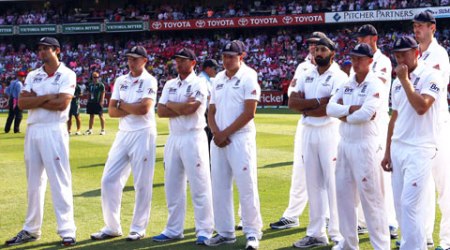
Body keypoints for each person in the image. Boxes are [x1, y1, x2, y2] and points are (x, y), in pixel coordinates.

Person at [5, 37, 77, 247]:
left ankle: (67, 230)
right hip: (34, 130)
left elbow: (62, 104)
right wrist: (48, 97)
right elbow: (23, 103)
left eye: (46, 49)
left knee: (59, 181)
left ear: (57, 51)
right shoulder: (33, 75)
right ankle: (31, 229)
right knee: (34, 183)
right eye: (40, 49)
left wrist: (38, 99)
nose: (42, 52)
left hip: (54, 130)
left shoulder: (67, 74)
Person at [381, 36, 444, 250]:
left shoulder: (432, 75)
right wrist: (387, 152)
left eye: (404, 54)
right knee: (400, 208)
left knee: (410, 205)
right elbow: (394, 117)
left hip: (420, 149)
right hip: (398, 148)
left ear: (416, 51)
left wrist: (406, 81)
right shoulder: (397, 81)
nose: (400, 60)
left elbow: (422, 107)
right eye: (397, 56)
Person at [90, 45, 158, 241]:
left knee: (142, 183)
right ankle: (112, 227)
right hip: (123, 133)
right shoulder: (121, 80)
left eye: (135, 59)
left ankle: (138, 228)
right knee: (108, 180)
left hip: (143, 133)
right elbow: (111, 111)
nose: (131, 62)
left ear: (145, 60)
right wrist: (130, 107)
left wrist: (123, 105)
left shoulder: (149, 80)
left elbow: (144, 109)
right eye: (129, 58)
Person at [327, 43, 390, 250]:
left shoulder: (375, 84)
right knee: (344, 197)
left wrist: (344, 115)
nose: (355, 63)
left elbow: (367, 114)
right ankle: (348, 244)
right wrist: (350, 110)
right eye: (353, 58)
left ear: (370, 61)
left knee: (372, 200)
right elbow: (330, 107)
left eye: (360, 59)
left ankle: (381, 246)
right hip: (345, 144)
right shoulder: (347, 83)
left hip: (366, 146)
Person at [204, 40, 262, 250]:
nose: (227, 60)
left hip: (240, 138)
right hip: (219, 138)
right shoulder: (218, 78)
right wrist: (216, 133)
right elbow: (211, 110)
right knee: (219, 186)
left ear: (241, 56)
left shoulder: (249, 76)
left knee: (246, 185)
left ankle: (253, 232)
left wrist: (225, 133)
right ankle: (225, 231)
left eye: (231, 56)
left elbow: (249, 112)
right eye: (224, 56)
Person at [289, 37, 346, 248]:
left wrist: (311, 106)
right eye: (317, 50)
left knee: (333, 182)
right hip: (309, 132)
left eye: (323, 49)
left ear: (332, 53)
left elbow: (331, 108)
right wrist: (318, 102)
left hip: (329, 132)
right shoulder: (306, 74)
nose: (318, 53)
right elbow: (292, 102)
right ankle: (316, 233)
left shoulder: (339, 77)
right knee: (313, 183)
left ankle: (338, 233)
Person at [153, 48, 214, 245]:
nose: (178, 64)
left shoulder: (200, 83)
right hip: (174, 137)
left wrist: (171, 105)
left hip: (193, 136)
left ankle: (204, 230)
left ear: (193, 63)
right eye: (177, 60)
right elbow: (160, 111)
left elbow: (191, 109)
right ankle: (173, 229)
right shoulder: (170, 84)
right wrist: (175, 106)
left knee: (199, 185)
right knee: (172, 186)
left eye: (183, 60)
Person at [270, 31, 328, 230]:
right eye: (311, 44)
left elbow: (332, 101)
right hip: (305, 124)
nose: (313, 47)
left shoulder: (333, 69)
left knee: (328, 172)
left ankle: (328, 217)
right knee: (300, 170)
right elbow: (292, 95)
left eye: (318, 44)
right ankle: (292, 215)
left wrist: (306, 103)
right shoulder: (303, 67)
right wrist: (311, 103)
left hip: (327, 126)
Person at [354, 24, 398, 239]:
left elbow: (375, 89)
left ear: (374, 38)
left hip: (378, 122)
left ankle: (389, 221)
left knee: (381, 176)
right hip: (361, 124)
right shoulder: (358, 58)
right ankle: (363, 221)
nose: (361, 41)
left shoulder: (382, 61)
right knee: (363, 175)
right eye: (359, 37)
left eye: (364, 38)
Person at [412, 11, 450, 250]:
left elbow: (427, 93)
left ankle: (446, 240)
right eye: (414, 26)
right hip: (421, 130)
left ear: (432, 28)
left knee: (444, 188)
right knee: (422, 187)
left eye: (421, 26)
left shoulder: (439, 54)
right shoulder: (415, 53)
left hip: (438, 127)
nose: (416, 30)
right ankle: (425, 235)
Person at [198, 58, 220, 150]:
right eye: (214, 68)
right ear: (207, 68)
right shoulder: (202, 79)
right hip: (204, 113)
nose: (216, 71)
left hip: (206, 112)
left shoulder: (206, 79)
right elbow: (207, 96)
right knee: (207, 140)